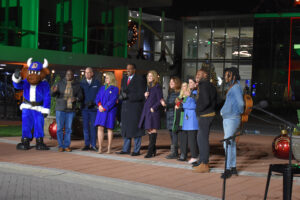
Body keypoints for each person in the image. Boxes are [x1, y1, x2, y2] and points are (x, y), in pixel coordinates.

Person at [116, 64, 146, 156]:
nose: (128, 70)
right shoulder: (124, 79)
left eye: (130, 69)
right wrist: (121, 96)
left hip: (135, 108)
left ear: (134, 70)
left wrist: (128, 96)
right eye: (127, 69)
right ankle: (126, 149)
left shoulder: (140, 79)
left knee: (136, 129)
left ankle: (136, 150)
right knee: (126, 128)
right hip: (125, 108)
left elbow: (141, 95)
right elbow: (122, 91)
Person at [220, 67, 244, 179]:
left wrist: (239, 112)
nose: (225, 77)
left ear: (233, 76)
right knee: (231, 142)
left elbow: (241, 103)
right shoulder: (233, 87)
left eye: (227, 75)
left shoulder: (235, 87)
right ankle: (233, 167)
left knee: (227, 143)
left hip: (232, 118)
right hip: (230, 117)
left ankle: (228, 169)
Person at [51, 70, 82, 152]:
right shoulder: (59, 83)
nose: (68, 75)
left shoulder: (77, 85)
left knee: (68, 129)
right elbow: (53, 94)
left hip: (70, 110)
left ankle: (67, 145)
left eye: (70, 74)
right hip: (60, 109)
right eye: (67, 74)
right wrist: (53, 91)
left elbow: (80, 96)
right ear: (65, 75)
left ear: (73, 76)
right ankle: (60, 146)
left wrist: (76, 98)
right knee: (60, 128)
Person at [193, 69, 217, 173]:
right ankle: (202, 161)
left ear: (205, 75)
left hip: (205, 115)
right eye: (196, 74)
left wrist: (199, 109)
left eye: (199, 74)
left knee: (202, 140)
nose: (197, 75)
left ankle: (204, 164)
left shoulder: (203, 85)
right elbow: (217, 100)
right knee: (201, 139)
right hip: (208, 114)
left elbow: (205, 101)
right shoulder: (210, 85)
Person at [139, 70, 163, 158]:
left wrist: (154, 107)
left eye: (151, 76)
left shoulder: (157, 87)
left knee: (153, 130)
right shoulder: (149, 87)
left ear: (155, 77)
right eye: (148, 76)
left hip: (153, 112)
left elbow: (160, 100)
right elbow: (148, 100)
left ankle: (150, 151)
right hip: (147, 111)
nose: (149, 78)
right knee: (149, 130)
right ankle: (153, 149)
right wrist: (145, 96)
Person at [94, 72, 119, 154]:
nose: (106, 79)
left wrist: (105, 107)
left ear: (111, 78)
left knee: (109, 128)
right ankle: (100, 147)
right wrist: (100, 105)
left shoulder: (115, 89)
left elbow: (113, 100)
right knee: (100, 128)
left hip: (110, 111)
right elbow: (97, 97)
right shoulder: (102, 88)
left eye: (107, 78)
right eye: (105, 78)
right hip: (101, 110)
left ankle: (109, 148)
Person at [80, 67, 101, 151]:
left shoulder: (97, 83)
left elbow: (99, 95)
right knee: (85, 127)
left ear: (92, 73)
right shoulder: (81, 83)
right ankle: (86, 144)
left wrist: (94, 102)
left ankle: (93, 145)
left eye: (89, 72)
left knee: (93, 127)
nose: (87, 74)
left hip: (93, 109)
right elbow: (79, 95)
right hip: (84, 108)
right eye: (86, 72)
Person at [178, 79, 198, 163]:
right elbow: (183, 104)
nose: (189, 84)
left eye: (191, 82)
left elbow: (193, 105)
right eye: (189, 82)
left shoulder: (195, 93)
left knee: (192, 138)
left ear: (195, 84)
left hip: (192, 118)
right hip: (186, 118)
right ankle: (186, 154)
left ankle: (194, 156)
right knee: (186, 137)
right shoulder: (188, 94)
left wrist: (185, 104)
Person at [161, 77, 181, 159]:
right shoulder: (171, 93)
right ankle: (174, 152)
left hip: (175, 116)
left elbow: (175, 103)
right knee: (172, 135)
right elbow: (170, 103)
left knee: (174, 134)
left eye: (173, 82)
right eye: (170, 82)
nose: (171, 83)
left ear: (177, 83)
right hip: (169, 115)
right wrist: (165, 105)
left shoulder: (179, 93)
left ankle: (175, 152)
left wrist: (165, 105)